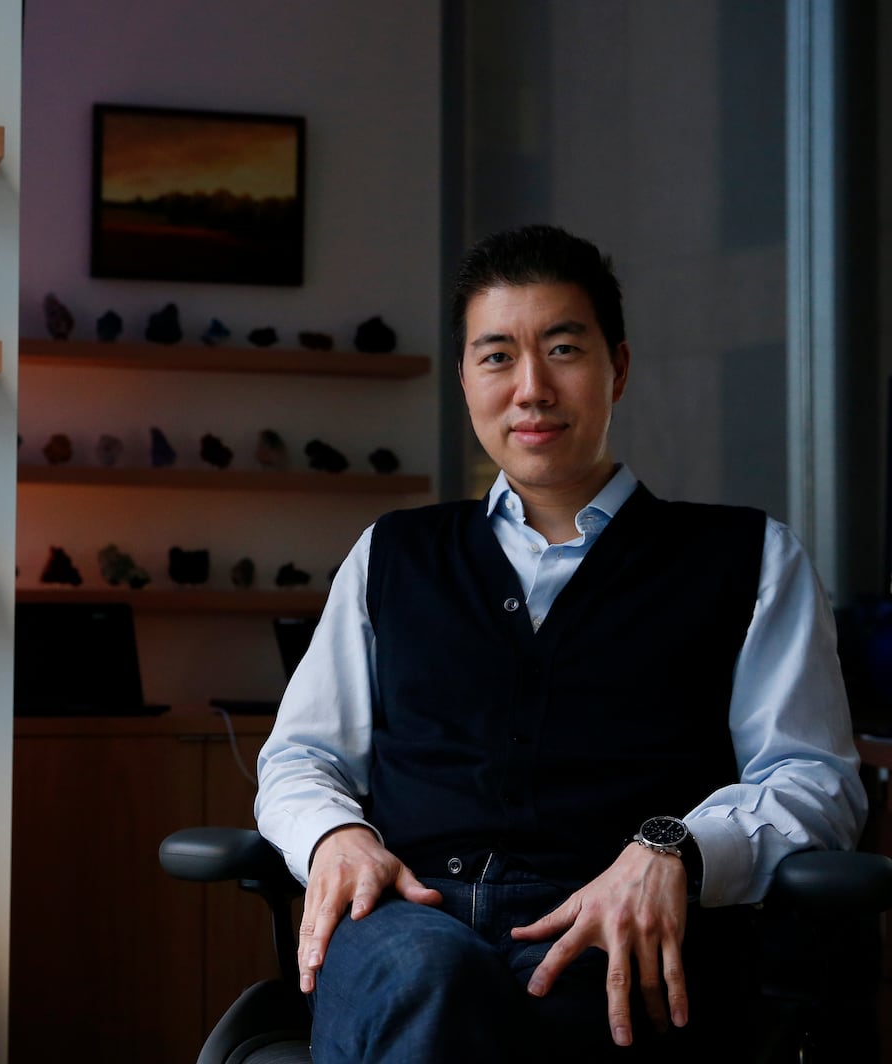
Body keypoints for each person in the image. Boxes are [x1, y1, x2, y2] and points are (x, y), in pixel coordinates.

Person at [255, 224, 867, 1061]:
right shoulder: (392, 554)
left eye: (564, 350)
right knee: (428, 979)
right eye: (497, 356)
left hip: (615, 925)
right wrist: (335, 837)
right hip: (407, 920)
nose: (531, 389)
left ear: (618, 367)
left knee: (580, 1007)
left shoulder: (750, 557)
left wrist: (674, 850)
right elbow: (301, 757)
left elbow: (814, 780)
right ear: (466, 378)